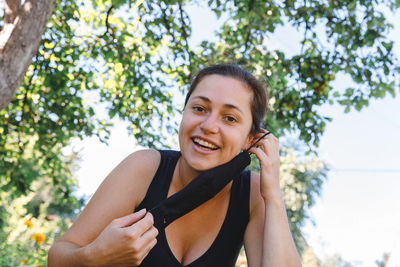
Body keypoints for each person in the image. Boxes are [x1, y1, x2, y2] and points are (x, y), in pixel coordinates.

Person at [48, 64, 302, 267]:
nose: (209, 125)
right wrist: (96, 256)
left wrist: (273, 196)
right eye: (200, 108)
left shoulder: (253, 195)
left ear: (251, 139)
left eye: (230, 118)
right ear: (184, 113)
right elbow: (59, 256)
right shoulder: (144, 168)